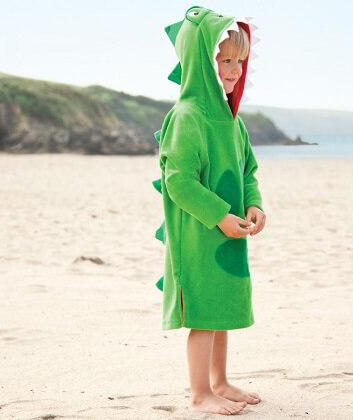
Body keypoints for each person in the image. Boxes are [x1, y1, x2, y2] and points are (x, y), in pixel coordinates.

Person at [152, 5, 266, 416]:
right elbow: (178, 180)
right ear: (202, 60)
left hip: (230, 232)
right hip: (199, 233)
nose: (234, 69)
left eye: (240, 59)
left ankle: (219, 381)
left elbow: (247, 167)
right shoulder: (187, 116)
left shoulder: (232, 119)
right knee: (202, 312)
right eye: (224, 59)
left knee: (219, 306)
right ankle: (200, 392)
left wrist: (253, 203)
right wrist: (218, 214)